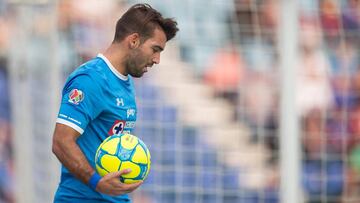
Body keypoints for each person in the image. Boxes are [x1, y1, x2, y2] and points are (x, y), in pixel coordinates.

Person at [52, 4, 178, 202]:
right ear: (134, 40)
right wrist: (97, 182)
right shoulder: (90, 79)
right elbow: (61, 141)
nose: (157, 59)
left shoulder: (123, 80)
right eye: (155, 49)